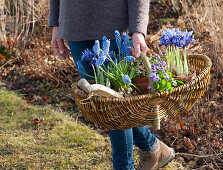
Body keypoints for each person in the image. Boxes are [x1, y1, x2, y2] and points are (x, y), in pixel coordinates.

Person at [49, 0, 175, 169]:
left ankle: (126, 166)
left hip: (113, 24)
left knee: (115, 106)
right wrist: (56, 24)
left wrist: (138, 30)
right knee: (104, 104)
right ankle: (153, 147)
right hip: (74, 25)